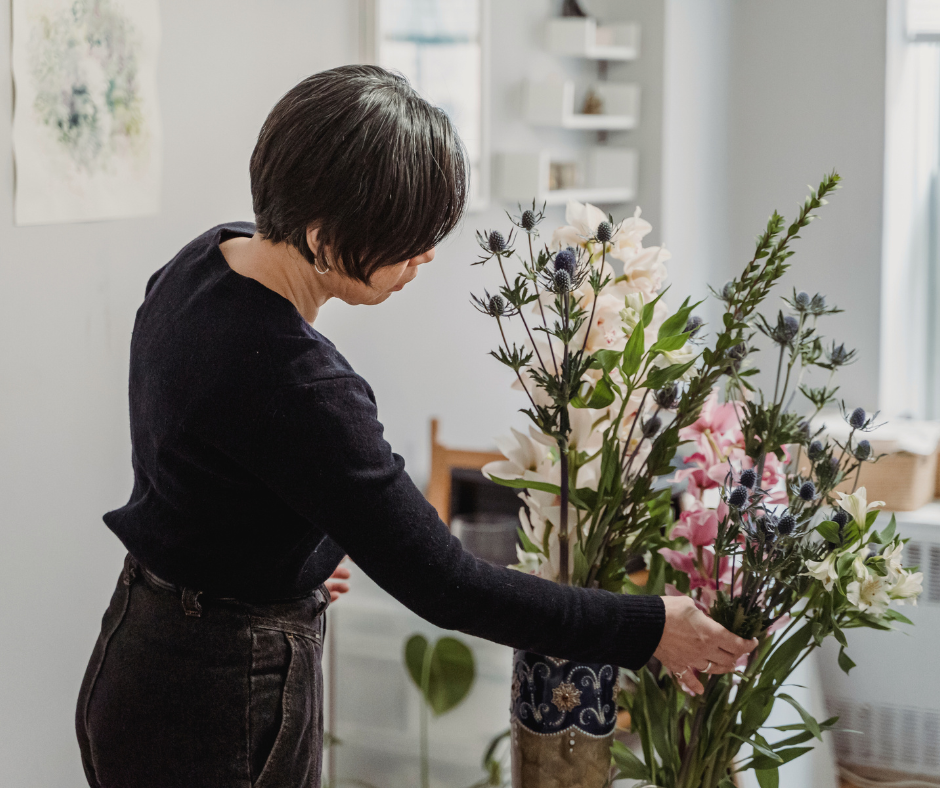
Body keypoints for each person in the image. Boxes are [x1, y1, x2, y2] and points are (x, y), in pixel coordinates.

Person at [75, 65, 756, 788]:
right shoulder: (305, 387)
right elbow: (448, 584)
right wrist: (650, 628)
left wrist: (278, 560)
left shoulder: (202, 262)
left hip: (138, 646)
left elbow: (199, 455)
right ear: (324, 240)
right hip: (222, 696)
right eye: (407, 241)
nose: (425, 258)